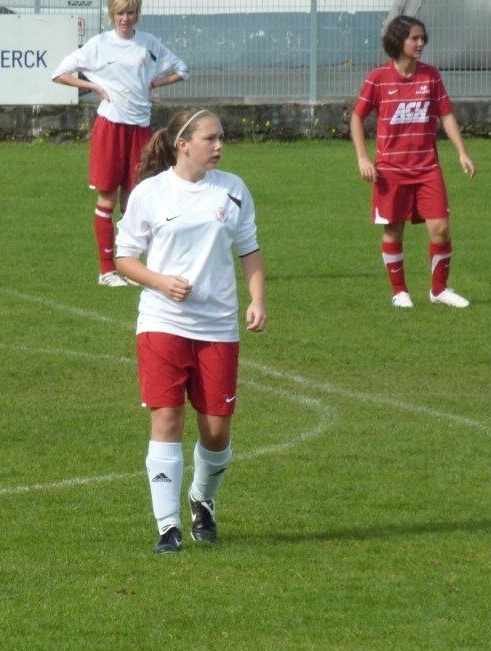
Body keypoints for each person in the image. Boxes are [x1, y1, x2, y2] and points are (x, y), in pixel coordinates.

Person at [115, 108, 267, 553]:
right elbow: (124, 258)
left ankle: (202, 498)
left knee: (216, 430)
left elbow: (250, 250)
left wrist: (257, 299)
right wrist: (161, 282)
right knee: (167, 418)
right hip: (162, 322)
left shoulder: (233, 190)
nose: (219, 146)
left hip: (218, 325)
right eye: (209, 138)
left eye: (221, 138)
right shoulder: (150, 193)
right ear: (182, 144)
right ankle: (168, 526)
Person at [52, 0, 189, 287]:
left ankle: (131, 269)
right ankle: (107, 271)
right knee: (107, 198)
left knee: (134, 198)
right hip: (110, 129)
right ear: (111, 15)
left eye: (130, 12)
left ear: (137, 14)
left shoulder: (148, 44)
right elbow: (60, 73)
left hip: (140, 129)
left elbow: (181, 69)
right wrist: (93, 86)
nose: (125, 18)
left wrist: (153, 84)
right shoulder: (99, 44)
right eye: (120, 13)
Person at [350, 14, 475, 308]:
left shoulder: (431, 76)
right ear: (398, 41)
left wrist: (462, 151)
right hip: (390, 171)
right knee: (394, 229)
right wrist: (362, 158)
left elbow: (446, 114)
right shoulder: (378, 78)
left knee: (440, 228)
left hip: (427, 168)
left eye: (422, 38)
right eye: (414, 38)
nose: (420, 43)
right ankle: (399, 292)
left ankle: (439, 290)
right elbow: (357, 117)